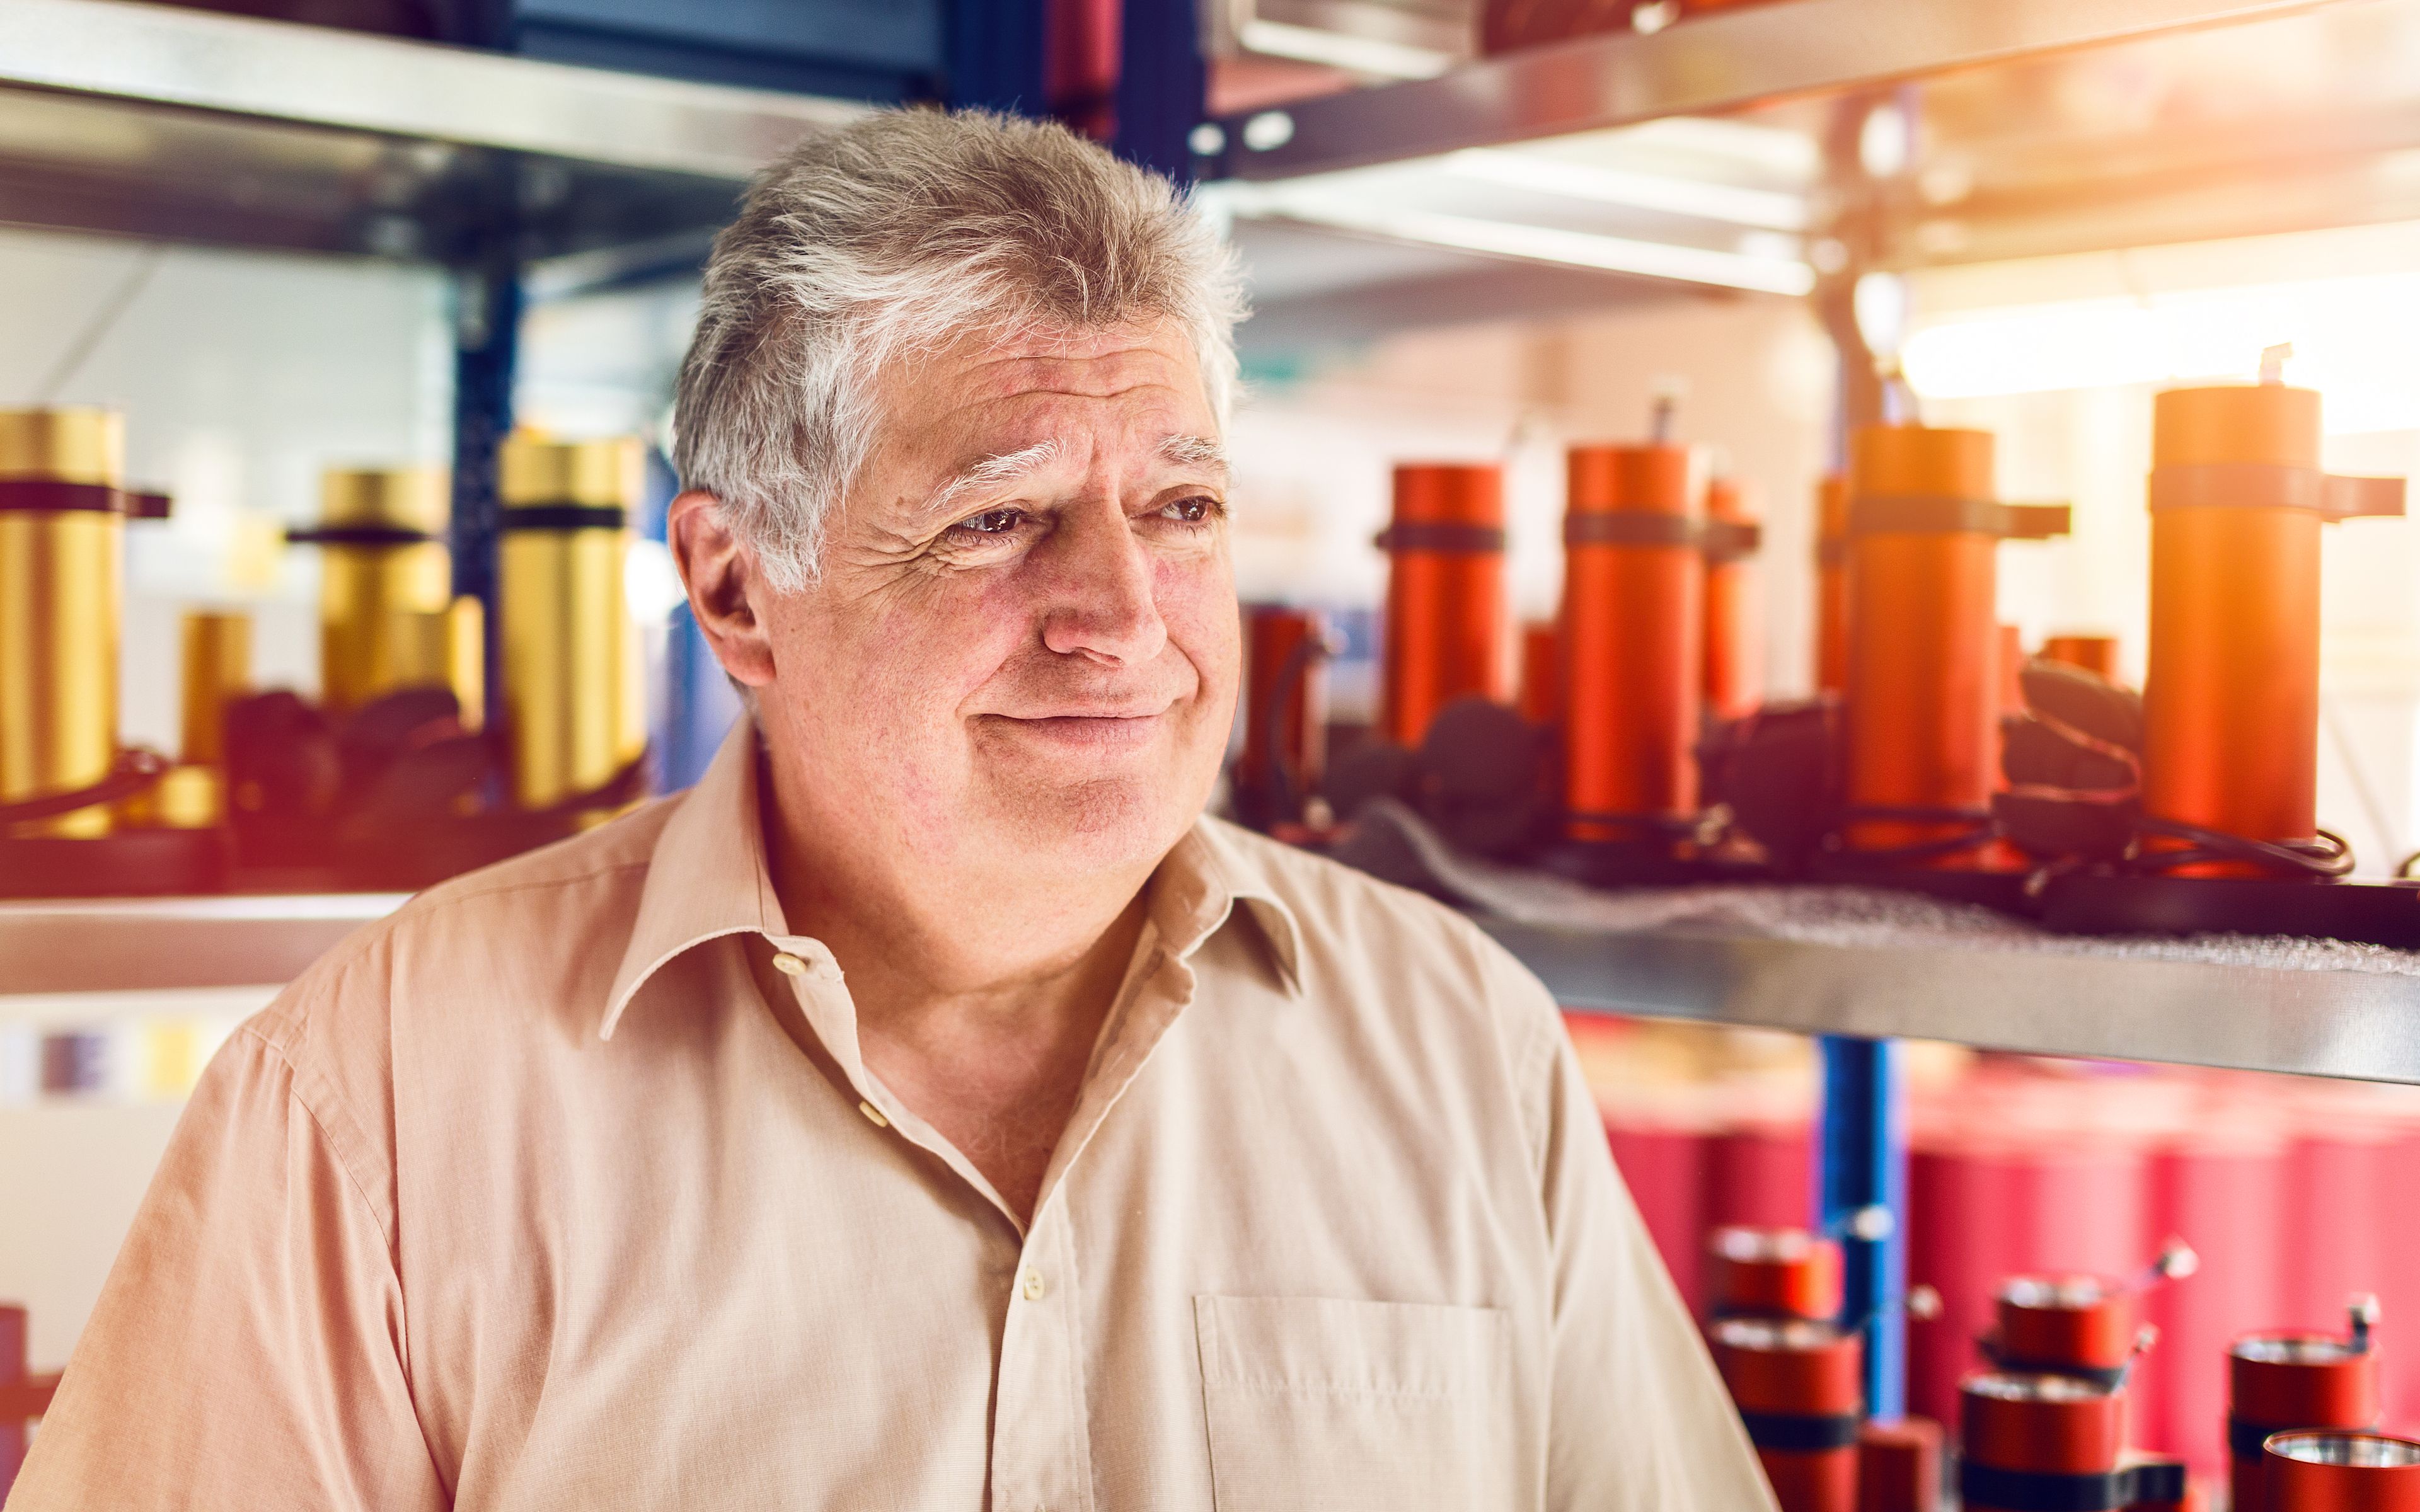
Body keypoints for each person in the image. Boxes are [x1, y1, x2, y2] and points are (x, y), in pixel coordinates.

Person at [12, 109, 1771, 1511]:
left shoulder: (1462, 1052)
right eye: (1000, 522)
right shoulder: (379, 1106)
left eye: (1179, 507)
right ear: (735, 591)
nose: (1124, 618)